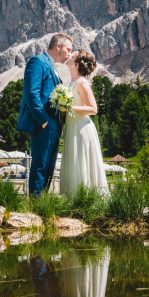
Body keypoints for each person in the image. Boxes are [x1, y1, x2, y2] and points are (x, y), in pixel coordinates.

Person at [18, 33, 73, 196]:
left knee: (49, 164)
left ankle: (43, 203)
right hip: (43, 123)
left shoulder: (52, 67)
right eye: (68, 49)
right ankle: (35, 205)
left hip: (54, 125)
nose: (69, 54)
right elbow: (31, 92)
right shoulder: (37, 61)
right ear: (58, 47)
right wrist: (42, 120)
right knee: (41, 163)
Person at [59, 51, 109, 196]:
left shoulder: (81, 83)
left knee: (80, 163)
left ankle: (85, 197)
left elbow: (93, 108)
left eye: (73, 55)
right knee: (74, 163)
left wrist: (68, 107)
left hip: (81, 129)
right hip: (72, 127)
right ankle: (73, 199)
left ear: (77, 64)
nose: (69, 55)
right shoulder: (72, 82)